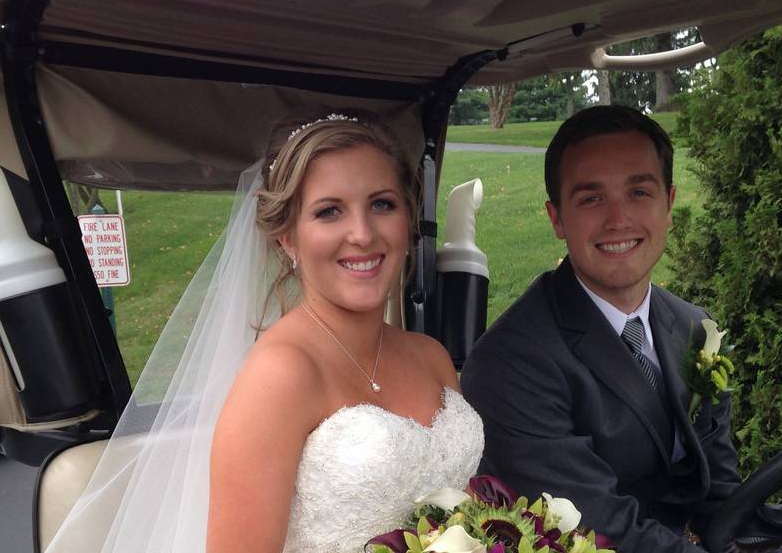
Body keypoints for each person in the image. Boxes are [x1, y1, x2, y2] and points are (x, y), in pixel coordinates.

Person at [45, 112, 483, 553]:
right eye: (329, 211)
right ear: (287, 238)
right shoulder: (280, 373)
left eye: (382, 204)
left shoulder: (432, 357)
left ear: (408, 219)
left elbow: (466, 515)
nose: (362, 234)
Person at [461, 106, 741, 553]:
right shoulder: (510, 364)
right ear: (556, 219)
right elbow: (596, 529)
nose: (618, 220)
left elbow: (722, 486)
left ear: (668, 204)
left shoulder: (694, 326)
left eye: (639, 193)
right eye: (591, 199)